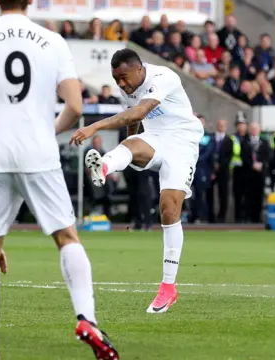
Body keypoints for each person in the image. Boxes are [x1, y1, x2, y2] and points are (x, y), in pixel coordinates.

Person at [0, 0, 119, 358]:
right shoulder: (52, 41)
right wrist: (46, 131)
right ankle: (86, 318)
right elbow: (75, 106)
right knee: (67, 236)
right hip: (38, 153)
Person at [71, 49, 204, 313]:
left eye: (123, 77)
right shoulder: (129, 85)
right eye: (115, 78)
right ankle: (104, 167)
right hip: (155, 138)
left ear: (139, 69)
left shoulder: (163, 76)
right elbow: (133, 118)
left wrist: (94, 127)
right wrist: (128, 150)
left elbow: (138, 112)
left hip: (182, 142)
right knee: (128, 145)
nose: (121, 83)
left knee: (168, 208)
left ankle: (168, 287)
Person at [246, 122, 270, 223]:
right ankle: (248, 217)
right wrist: (252, 164)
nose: (254, 130)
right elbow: (244, 155)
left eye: (256, 128)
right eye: (252, 128)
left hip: (260, 173)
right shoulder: (245, 141)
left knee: (259, 195)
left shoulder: (264, 142)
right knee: (248, 195)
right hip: (248, 173)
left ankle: (257, 217)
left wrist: (261, 165)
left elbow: (268, 156)